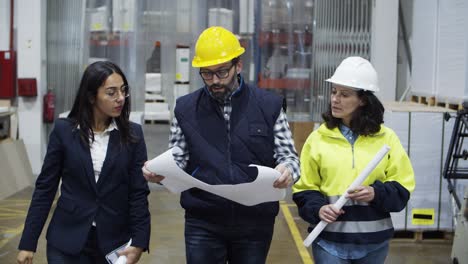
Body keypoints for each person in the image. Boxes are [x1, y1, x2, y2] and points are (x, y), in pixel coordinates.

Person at [143, 26, 300, 264]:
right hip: (203, 221)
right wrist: (160, 172)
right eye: (207, 73)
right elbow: (178, 158)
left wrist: (287, 171)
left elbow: (289, 156)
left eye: (222, 72)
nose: (215, 80)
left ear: (238, 65)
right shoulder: (185, 108)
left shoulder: (269, 105)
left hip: (255, 222)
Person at [17, 61, 151, 264]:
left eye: (123, 91)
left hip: (113, 242)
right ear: (91, 96)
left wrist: (140, 241)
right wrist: (28, 242)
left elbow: (138, 192)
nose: (120, 98)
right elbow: (45, 188)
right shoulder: (64, 131)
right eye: (111, 92)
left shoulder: (132, 135)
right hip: (66, 240)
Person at [292, 56, 415, 264]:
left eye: (344, 94)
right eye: (334, 92)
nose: (335, 99)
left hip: (374, 246)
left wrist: (376, 193)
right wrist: (318, 208)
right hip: (329, 243)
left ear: (363, 100)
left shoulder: (386, 139)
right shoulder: (318, 139)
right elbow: (304, 190)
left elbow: (402, 190)